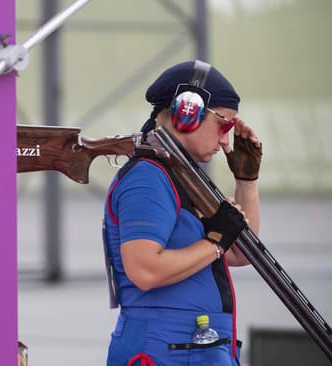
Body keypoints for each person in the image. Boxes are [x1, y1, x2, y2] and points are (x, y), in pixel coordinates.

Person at [103, 60, 262, 365]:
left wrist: (246, 180)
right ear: (188, 112)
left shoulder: (180, 175)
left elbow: (242, 252)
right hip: (167, 349)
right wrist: (214, 242)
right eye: (224, 124)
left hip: (186, 348)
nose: (226, 139)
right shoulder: (148, 178)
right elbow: (145, 270)